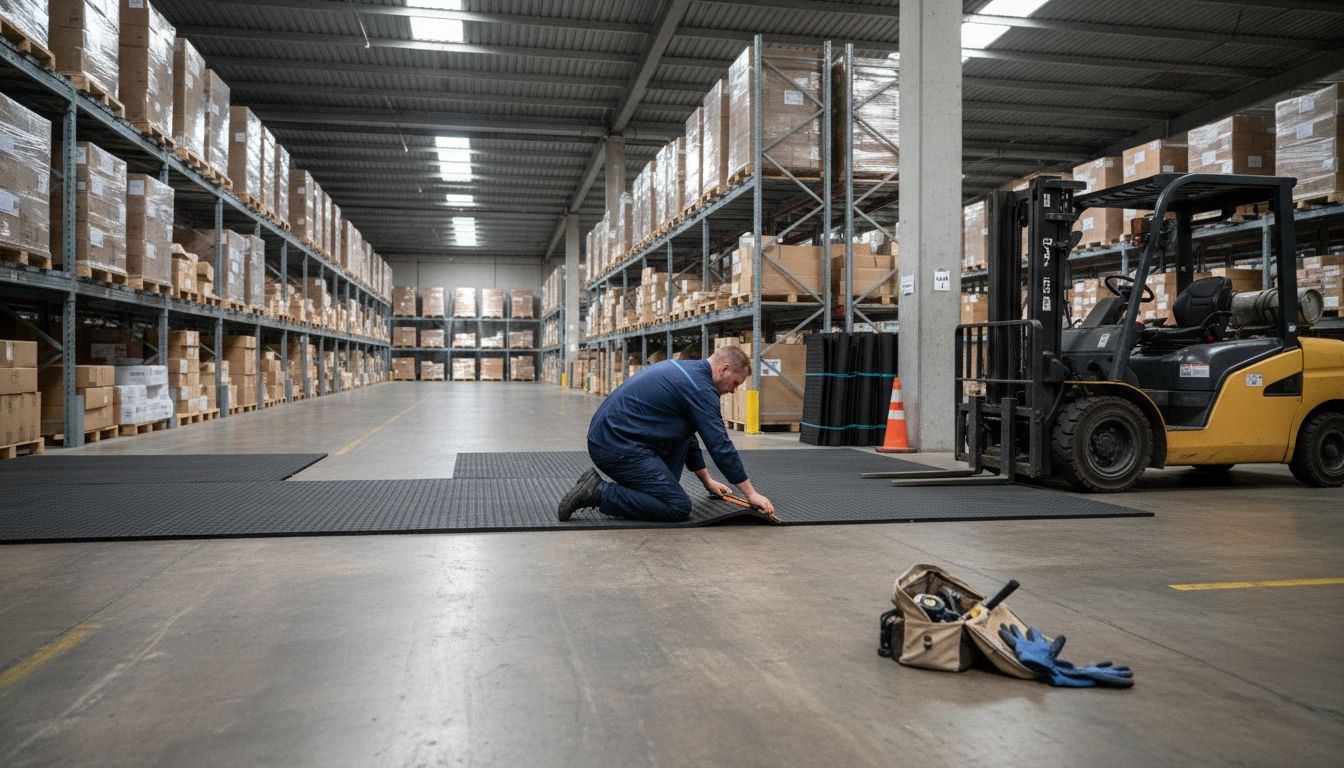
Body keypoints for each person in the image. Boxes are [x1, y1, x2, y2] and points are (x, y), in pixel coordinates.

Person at [557, 345, 775, 523]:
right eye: (735, 383)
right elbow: (720, 445)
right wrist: (750, 493)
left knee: (675, 459)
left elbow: (687, 436)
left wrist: (707, 481)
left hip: (613, 437)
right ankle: (598, 492)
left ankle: (644, 492)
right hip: (614, 445)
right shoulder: (700, 388)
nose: (733, 390)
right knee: (677, 506)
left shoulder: (687, 371)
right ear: (724, 369)